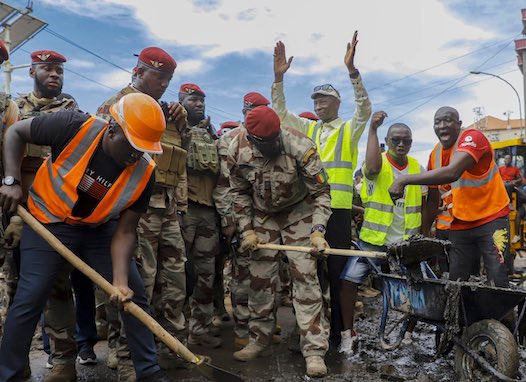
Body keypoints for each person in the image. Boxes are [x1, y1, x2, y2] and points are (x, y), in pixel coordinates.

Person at [0, 93, 173, 382]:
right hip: (47, 220)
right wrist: (12, 181)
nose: (135, 155)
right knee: (31, 294)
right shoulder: (72, 125)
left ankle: (149, 373)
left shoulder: (145, 173)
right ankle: (9, 374)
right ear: (112, 128)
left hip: (99, 229)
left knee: (134, 295)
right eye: (131, 145)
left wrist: (118, 282)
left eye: (143, 150)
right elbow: (16, 132)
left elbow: (125, 230)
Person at [271, 31, 372, 346]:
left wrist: (352, 72)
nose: (318, 104)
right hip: (311, 210)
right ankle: (313, 334)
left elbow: (365, 110)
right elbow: (281, 114)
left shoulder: (348, 129)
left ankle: (342, 333)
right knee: (310, 275)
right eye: (315, 99)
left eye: (323, 99)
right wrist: (278, 80)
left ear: (337, 102)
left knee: (338, 272)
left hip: (339, 211)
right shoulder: (309, 128)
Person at [96, 47, 188, 379]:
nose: (163, 84)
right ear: (138, 73)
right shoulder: (115, 105)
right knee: (138, 284)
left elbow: (178, 162)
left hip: (167, 208)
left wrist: (181, 207)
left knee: (175, 281)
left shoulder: (169, 114)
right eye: (157, 77)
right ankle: (125, 354)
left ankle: (171, 345)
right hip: (133, 210)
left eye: (167, 80)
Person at [10, 50, 96, 379]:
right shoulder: (15, 111)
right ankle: (16, 362)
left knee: (59, 287)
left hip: (54, 214)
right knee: (18, 289)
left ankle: (63, 360)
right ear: (31, 70)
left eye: (59, 70)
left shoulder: (72, 112)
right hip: (17, 212)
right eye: (47, 68)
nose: (54, 75)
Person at [228, 105, 331, 377]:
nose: (274, 145)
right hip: (263, 215)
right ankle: (259, 341)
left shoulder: (300, 146)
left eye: (276, 140)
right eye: (267, 142)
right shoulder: (237, 150)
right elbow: (238, 193)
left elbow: (321, 193)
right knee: (260, 279)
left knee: (306, 277)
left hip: (299, 213)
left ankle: (314, 351)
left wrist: (318, 231)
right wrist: (247, 229)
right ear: (251, 139)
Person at [389, 106, 511, 287]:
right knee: (458, 280)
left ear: (459, 124)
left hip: (492, 218)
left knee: (497, 274)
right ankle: (467, 315)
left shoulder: (472, 138)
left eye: (448, 120)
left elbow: (452, 172)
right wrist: (425, 232)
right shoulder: (435, 154)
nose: (442, 126)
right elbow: (432, 199)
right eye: (437, 122)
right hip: (461, 223)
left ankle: (504, 315)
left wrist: (404, 180)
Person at [339, 111, 427, 355]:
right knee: (348, 281)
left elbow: (428, 199)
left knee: (419, 287)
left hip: (406, 243)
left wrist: (426, 234)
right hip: (374, 241)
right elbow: (373, 167)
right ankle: (348, 335)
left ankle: (407, 333)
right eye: (395, 140)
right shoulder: (377, 162)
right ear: (387, 141)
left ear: (411, 143)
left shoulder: (418, 168)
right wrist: (373, 129)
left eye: (406, 141)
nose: (401, 144)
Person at [213, 91, 275, 350]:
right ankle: (242, 329)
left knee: (265, 276)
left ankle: (261, 329)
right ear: (244, 111)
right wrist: (230, 220)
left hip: (265, 217)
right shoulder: (229, 141)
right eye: (254, 110)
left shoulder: (269, 136)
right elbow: (224, 185)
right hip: (239, 216)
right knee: (241, 276)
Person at [179, 83, 222, 348]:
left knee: (206, 274)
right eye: (193, 99)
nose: (199, 104)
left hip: (208, 212)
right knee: (178, 275)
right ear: (181, 100)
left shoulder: (211, 133)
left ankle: (200, 329)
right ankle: (175, 332)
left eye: (201, 100)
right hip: (184, 211)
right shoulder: (174, 129)